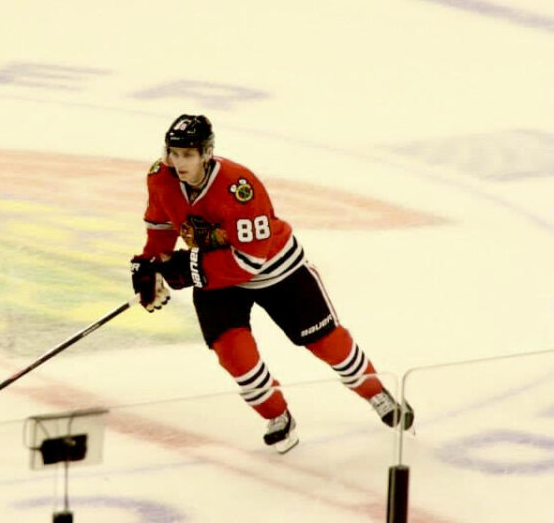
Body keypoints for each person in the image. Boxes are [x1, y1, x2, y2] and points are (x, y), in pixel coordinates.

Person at [130, 114, 413, 453]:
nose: (178, 163)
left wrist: (188, 269)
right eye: (173, 153)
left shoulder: (239, 186)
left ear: (206, 153)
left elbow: (250, 260)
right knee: (234, 355)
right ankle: (277, 415)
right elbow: (160, 226)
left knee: (326, 342)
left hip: (277, 270)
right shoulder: (160, 177)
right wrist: (151, 266)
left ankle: (375, 392)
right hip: (215, 275)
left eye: (187, 155)